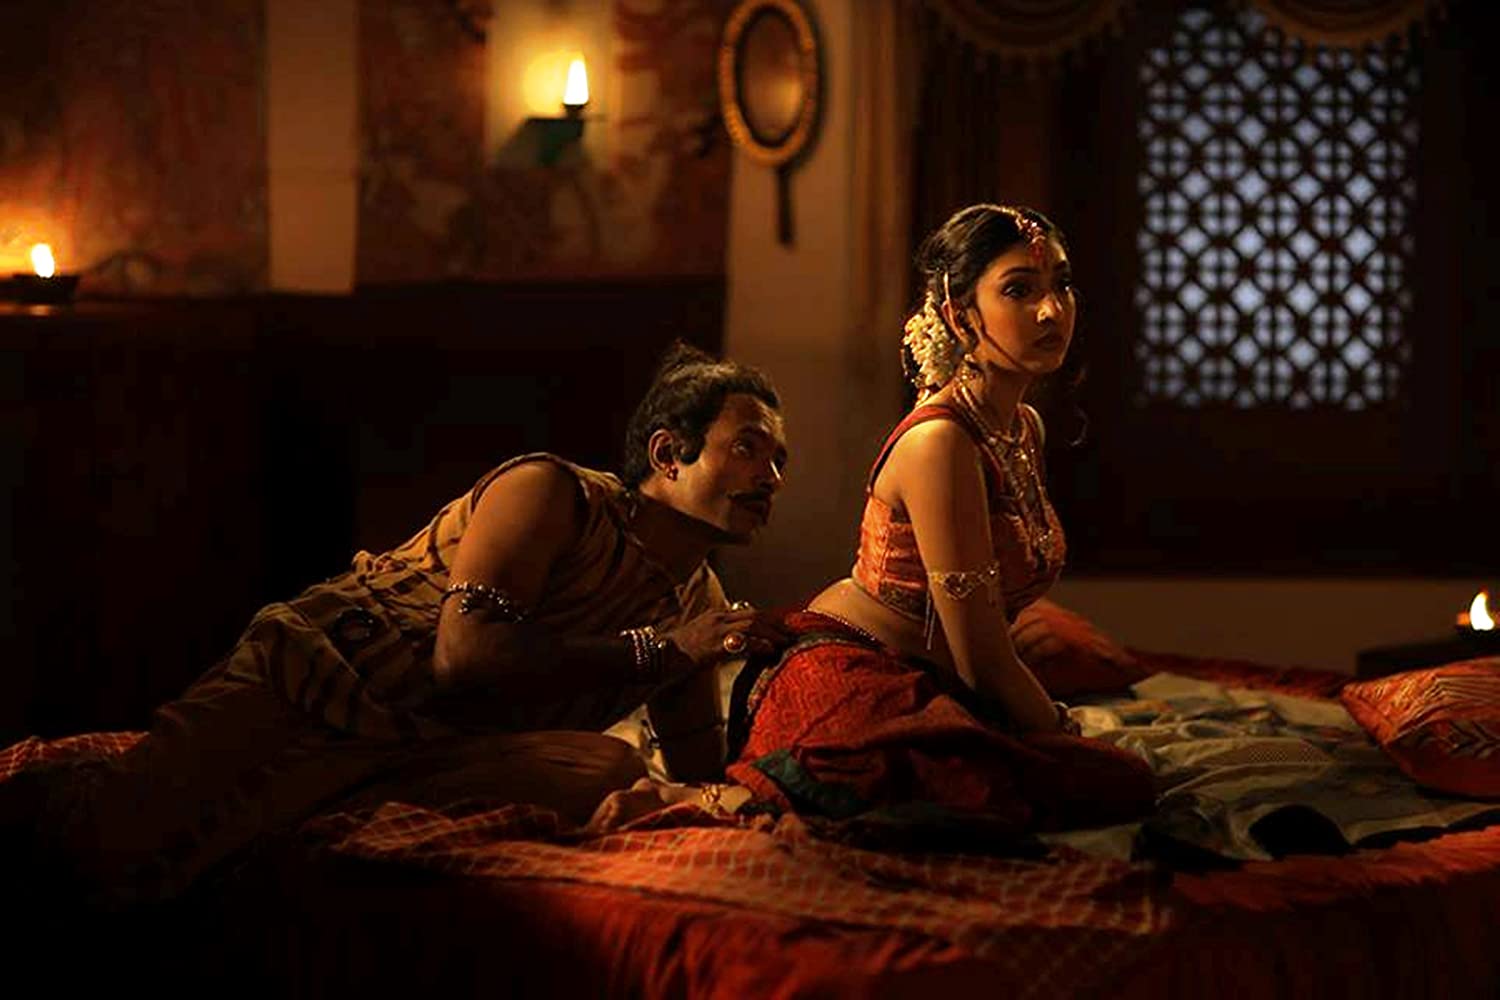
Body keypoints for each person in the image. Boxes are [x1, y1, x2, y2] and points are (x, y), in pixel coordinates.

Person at [0, 342, 790, 906]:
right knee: (102, 859)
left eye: (781, 460)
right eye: (748, 448)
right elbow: (466, 658)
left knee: (607, 766)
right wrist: (661, 651)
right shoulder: (552, 494)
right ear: (668, 453)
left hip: (427, 755)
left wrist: (781, 772)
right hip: (313, 688)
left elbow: (697, 770)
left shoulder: (697, 600)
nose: (772, 477)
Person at [596, 205, 1153, 838]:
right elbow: (980, 655)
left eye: (1062, 284)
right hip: (850, 676)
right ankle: (701, 799)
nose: (1052, 310)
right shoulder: (941, 442)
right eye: (1019, 290)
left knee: (1107, 782)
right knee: (1059, 787)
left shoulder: (1023, 428)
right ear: (959, 315)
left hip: (937, 683)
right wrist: (1058, 727)